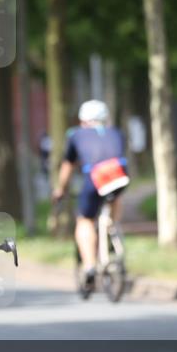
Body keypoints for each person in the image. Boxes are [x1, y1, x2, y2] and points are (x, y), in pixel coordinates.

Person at [52, 100, 129, 291]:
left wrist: (60, 189)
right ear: (106, 119)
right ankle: (113, 227)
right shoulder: (116, 132)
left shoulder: (76, 134)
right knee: (115, 195)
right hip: (119, 175)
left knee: (85, 220)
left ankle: (89, 265)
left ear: (82, 120)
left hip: (95, 177)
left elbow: (68, 165)